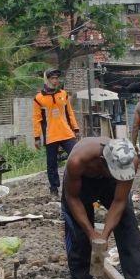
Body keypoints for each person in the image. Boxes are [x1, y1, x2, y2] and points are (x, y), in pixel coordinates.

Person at [62, 137, 140, 279]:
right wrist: (91, 233)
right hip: (80, 188)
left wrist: (105, 234)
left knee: (127, 222)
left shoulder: (129, 161)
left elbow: (119, 202)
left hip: (109, 183)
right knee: (78, 238)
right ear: (103, 162)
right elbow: (73, 199)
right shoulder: (78, 161)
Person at [33, 68, 81, 196]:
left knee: (78, 157)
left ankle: (78, 184)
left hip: (66, 133)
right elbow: (37, 119)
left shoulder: (64, 94)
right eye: (52, 78)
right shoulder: (39, 98)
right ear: (47, 80)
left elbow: (70, 113)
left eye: (56, 78)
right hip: (50, 135)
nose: (55, 81)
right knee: (52, 165)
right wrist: (37, 137)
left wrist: (75, 129)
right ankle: (54, 189)